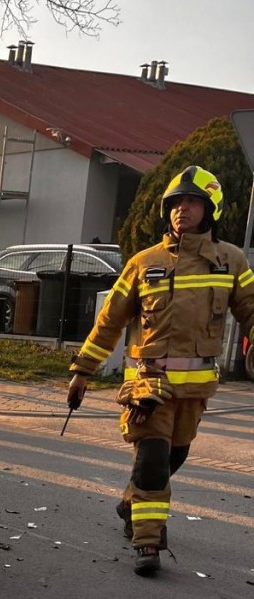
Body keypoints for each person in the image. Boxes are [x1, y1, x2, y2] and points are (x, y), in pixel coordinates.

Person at [67, 166, 254, 576]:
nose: (181, 210)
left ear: (210, 209)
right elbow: (109, 322)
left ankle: (130, 501)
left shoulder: (231, 261)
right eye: (175, 203)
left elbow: (251, 311)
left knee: (175, 455)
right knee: (152, 457)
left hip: (196, 391)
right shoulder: (143, 263)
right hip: (148, 387)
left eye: (191, 202)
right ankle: (148, 542)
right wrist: (83, 371)